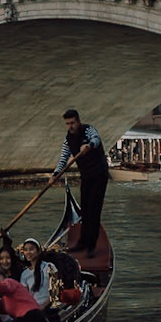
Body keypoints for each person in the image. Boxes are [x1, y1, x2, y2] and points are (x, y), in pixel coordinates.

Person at [54, 107, 109, 256]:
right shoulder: (68, 140)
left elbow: (95, 139)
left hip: (99, 175)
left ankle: (91, 246)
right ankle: (82, 242)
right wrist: (55, 174)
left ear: (78, 121)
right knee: (85, 210)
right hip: (86, 176)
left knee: (94, 210)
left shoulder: (89, 130)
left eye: (72, 123)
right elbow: (63, 158)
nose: (70, 126)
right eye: (67, 124)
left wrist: (89, 145)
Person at [17, 236, 56, 305]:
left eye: (31, 249)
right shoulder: (24, 274)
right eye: (26, 250)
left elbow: (55, 289)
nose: (28, 252)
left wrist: (44, 306)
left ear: (38, 251)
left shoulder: (49, 267)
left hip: (50, 305)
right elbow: (25, 296)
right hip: (33, 307)